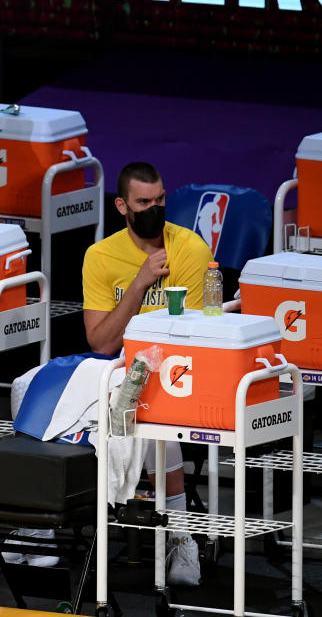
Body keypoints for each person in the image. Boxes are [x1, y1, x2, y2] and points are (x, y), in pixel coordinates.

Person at [81, 160, 213, 586]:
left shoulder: (190, 249)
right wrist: (138, 284)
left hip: (178, 371)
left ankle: (180, 537)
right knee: (33, 389)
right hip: (115, 368)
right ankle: (39, 526)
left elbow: (192, 335)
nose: (154, 208)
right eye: (143, 202)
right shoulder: (100, 256)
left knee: (154, 415)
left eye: (160, 200)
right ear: (122, 205)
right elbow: (100, 343)